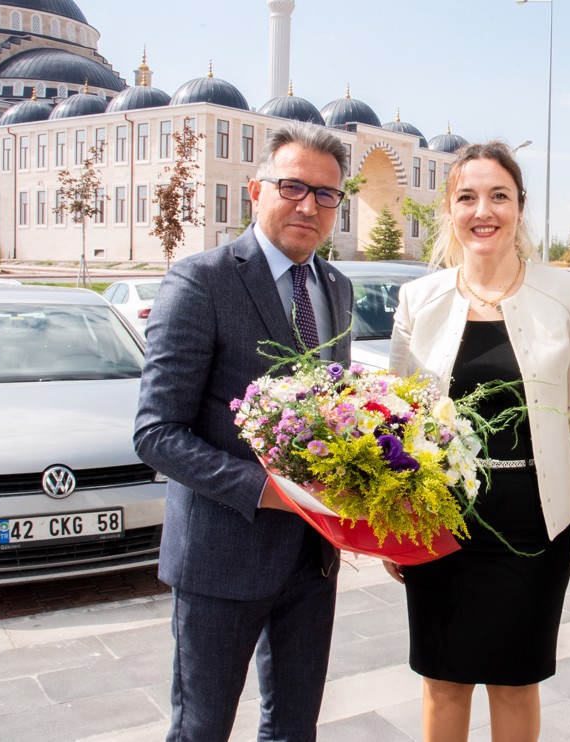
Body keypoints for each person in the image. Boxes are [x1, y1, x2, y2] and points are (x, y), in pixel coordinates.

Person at [383, 141, 570, 742]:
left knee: (516, 680)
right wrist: (390, 518)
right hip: (439, 516)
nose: (482, 211)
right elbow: (396, 422)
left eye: (498, 196)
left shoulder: (565, 293)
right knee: (442, 678)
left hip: (532, 521)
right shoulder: (419, 299)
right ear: (448, 208)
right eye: (467, 196)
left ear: (520, 207)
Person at [134, 122, 354, 742]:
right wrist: (265, 489)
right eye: (292, 186)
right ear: (255, 190)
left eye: (326, 194)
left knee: (293, 729)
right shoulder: (201, 280)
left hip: (312, 561)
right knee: (201, 730)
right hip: (220, 560)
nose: (308, 205)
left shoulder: (336, 287)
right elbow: (156, 432)